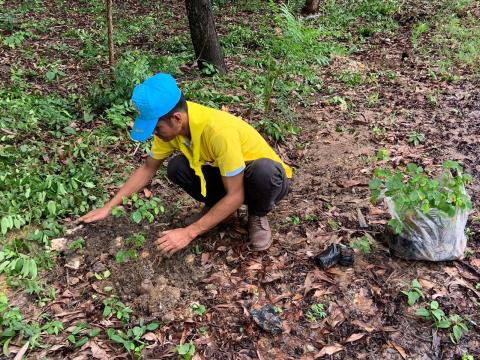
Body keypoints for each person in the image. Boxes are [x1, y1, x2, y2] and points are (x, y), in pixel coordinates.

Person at [78, 73, 292, 254]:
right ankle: (221, 213)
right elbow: (147, 168)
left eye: (156, 128)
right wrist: (108, 207)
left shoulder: (218, 132)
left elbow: (235, 194)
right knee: (178, 167)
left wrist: (189, 232)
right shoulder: (175, 131)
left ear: (177, 119)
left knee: (265, 172)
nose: (154, 133)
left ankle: (258, 214)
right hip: (229, 177)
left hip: (265, 182)